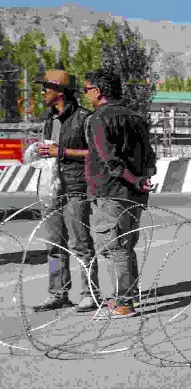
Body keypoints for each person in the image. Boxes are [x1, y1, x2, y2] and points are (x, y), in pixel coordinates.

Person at [82, 67, 155, 319]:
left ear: (98, 91)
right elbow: (150, 156)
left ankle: (123, 302)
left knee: (114, 247)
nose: (85, 95)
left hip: (111, 191)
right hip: (135, 193)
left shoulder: (99, 118)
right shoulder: (136, 117)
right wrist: (143, 180)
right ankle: (127, 296)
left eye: (86, 90)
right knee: (125, 245)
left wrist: (133, 179)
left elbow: (110, 160)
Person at [30, 70, 99, 313]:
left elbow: (96, 153)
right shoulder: (50, 120)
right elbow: (49, 153)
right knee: (53, 245)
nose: (42, 92)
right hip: (52, 188)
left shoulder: (85, 118)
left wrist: (61, 152)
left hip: (75, 189)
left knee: (81, 244)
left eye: (45, 88)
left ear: (59, 92)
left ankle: (90, 294)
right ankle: (57, 294)